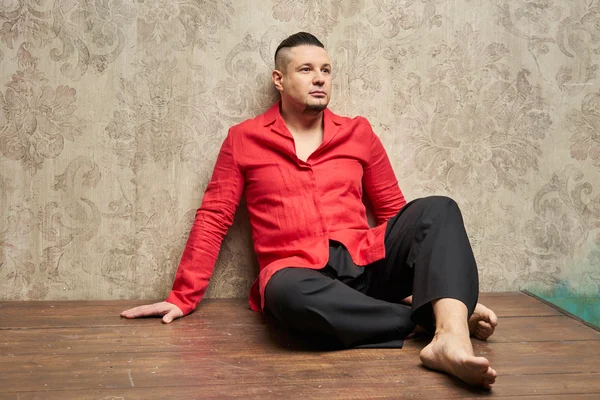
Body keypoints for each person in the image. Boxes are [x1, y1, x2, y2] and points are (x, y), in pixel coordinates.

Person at [121, 32, 498, 389]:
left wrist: (417, 277)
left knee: (438, 210)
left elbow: (393, 212)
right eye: (306, 70)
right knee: (285, 296)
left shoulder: (358, 132)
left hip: (365, 262)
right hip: (299, 275)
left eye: (326, 70)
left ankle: (451, 341)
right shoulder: (243, 139)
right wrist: (181, 297)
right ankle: (435, 317)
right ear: (279, 79)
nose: (319, 79)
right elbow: (214, 217)